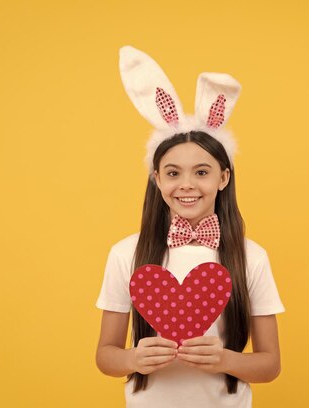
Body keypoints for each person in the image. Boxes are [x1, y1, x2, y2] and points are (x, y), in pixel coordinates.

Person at [95, 46, 285, 408]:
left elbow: (270, 363)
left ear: (223, 177)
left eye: (201, 172)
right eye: (172, 173)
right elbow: (105, 354)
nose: (186, 184)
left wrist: (226, 359)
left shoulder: (251, 257)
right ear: (156, 179)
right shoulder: (125, 253)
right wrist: (133, 358)